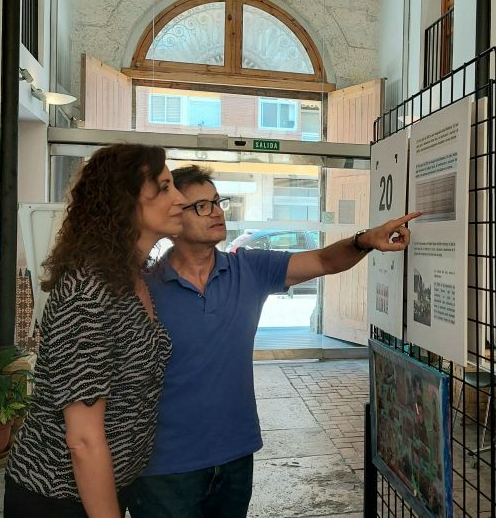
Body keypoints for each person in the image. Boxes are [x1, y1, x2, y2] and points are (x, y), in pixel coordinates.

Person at [126, 165, 419, 518]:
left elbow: (324, 260)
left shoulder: (248, 269)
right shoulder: (143, 287)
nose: (217, 212)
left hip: (235, 454)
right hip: (164, 466)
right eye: (201, 206)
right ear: (173, 217)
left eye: (218, 201)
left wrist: (364, 240)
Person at [5, 144, 187, 518]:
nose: (181, 199)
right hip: (57, 495)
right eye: (164, 187)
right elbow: (83, 439)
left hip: (108, 485)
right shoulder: (88, 290)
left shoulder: (131, 276)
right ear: (125, 200)